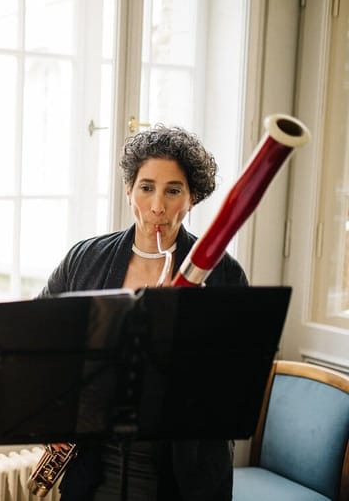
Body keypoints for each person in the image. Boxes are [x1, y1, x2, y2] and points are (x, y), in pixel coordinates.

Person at [41, 126, 247, 501]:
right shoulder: (84, 259)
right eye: (146, 187)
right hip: (95, 467)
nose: (157, 207)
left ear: (193, 197)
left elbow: (233, 388)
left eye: (173, 191)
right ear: (128, 190)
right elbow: (40, 343)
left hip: (184, 475)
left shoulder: (224, 275)